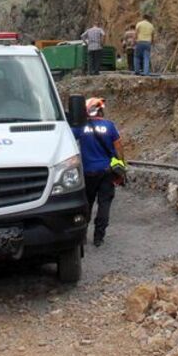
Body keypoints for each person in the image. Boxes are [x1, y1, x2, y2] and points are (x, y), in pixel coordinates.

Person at [71, 97, 125, 247]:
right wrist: (122, 167)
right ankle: (98, 237)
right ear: (100, 110)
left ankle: (82, 236)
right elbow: (119, 148)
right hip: (107, 171)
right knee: (104, 204)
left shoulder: (80, 127)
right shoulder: (110, 126)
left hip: (88, 173)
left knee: (86, 204)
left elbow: (67, 139)